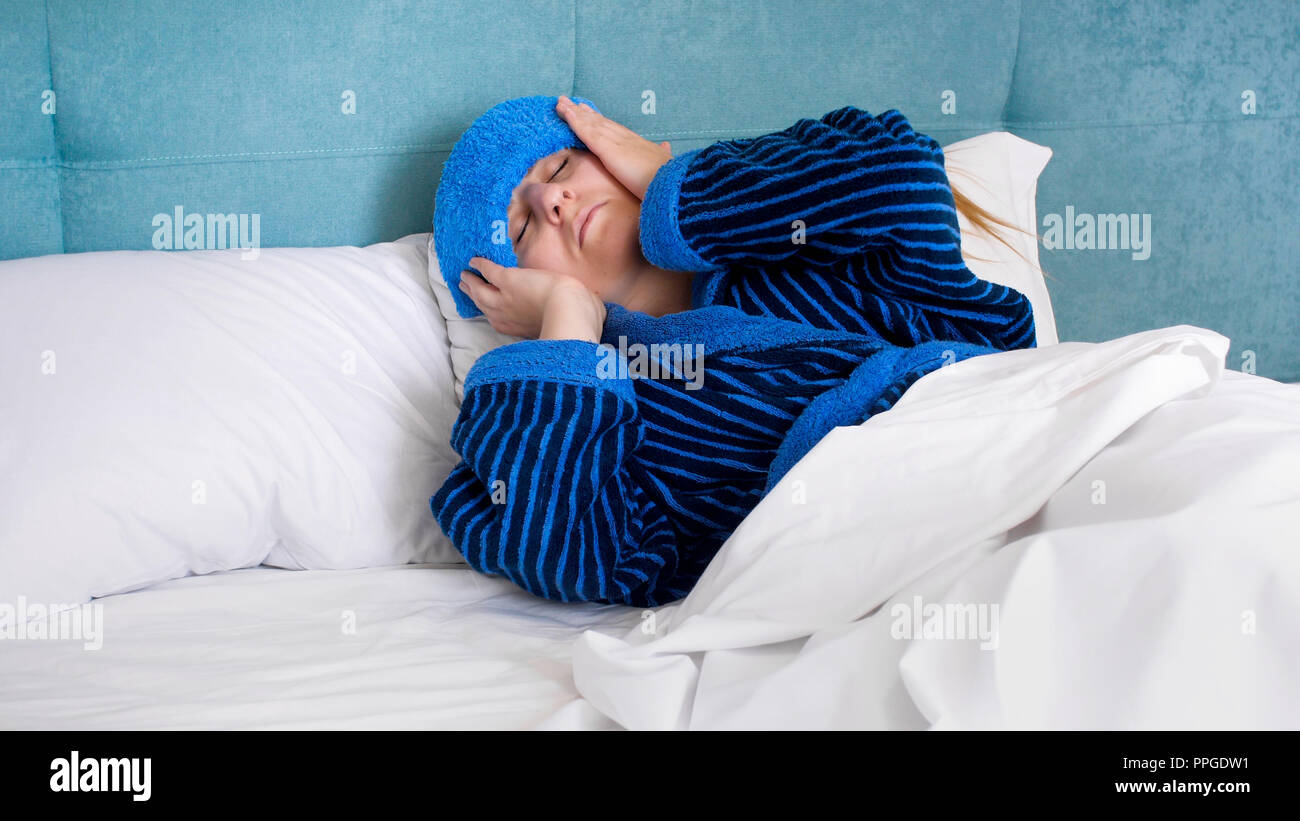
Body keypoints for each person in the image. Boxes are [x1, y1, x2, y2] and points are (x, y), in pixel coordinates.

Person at [429, 94, 1037, 607]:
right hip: (877, 577)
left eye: (561, 167)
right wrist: (565, 324)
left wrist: (677, 187)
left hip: (1010, 447)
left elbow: (900, 179)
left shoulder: (806, 245)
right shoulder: (604, 421)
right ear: (510, 296)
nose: (550, 201)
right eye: (521, 228)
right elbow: (560, 551)